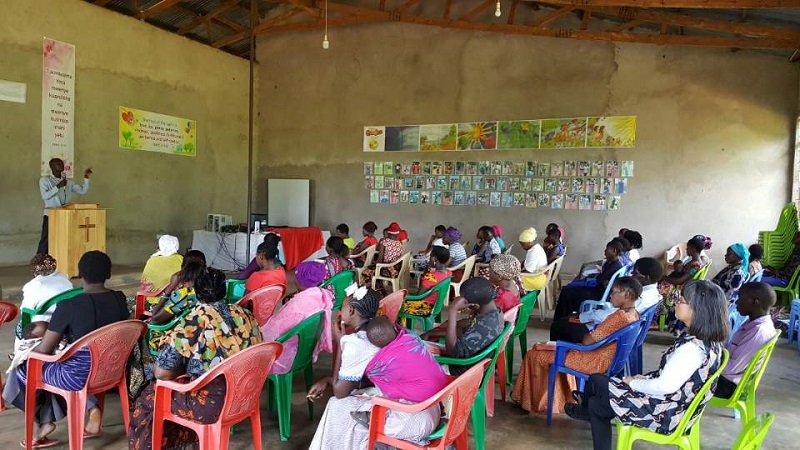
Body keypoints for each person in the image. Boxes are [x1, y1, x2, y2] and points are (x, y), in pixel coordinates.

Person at [565, 280, 728, 450]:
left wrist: (634, 383)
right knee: (597, 403)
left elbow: (664, 386)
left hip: (662, 414)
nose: (676, 303)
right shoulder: (708, 343)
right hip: (675, 407)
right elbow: (673, 378)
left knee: (597, 382)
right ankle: (587, 409)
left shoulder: (691, 350)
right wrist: (644, 378)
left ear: (697, 309)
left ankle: (585, 409)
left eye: (681, 300)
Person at [4, 251, 129, 448]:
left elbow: (44, 351)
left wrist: (22, 355)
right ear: (109, 274)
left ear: (80, 274)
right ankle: (90, 408)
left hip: (77, 376)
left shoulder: (69, 306)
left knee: (24, 367)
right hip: (113, 370)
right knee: (60, 362)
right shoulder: (119, 299)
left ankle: (41, 424)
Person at [129, 268, 263, 450]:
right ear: (223, 291)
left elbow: (162, 373)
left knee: (150, 396)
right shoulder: (245, 314)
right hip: (246, 394)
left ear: (196, 292)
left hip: (211, 405)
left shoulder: (194, 321)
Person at [307, 287, 447, 449]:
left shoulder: (356, 344)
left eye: (342, 307)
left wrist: (341, 342)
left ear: (351, 311)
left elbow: (340, 392)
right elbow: (370, 380)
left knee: (338, 407)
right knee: (350, 401)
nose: (339, 311)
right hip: (431, 409)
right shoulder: (395, 332)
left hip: (411, 421)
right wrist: (328, 380)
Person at [512, 277, 642, 414]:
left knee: (534, 355)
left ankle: (529, 401)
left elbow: (587, 341)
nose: (610, 295)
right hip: (606, 358)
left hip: (594, 360)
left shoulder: (619, 317)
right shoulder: (635, 315)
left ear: (627, 295)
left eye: (614, 292)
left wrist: (589, 335)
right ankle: (555, 400)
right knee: (546, 349)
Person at [551, 258, 663, 342]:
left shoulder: (639, 299)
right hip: (621, 333)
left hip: (608, 337)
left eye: (635, 273)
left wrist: (583, 317)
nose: (632, 275)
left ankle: (558, 359)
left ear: (647, 278)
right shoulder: (653, 294)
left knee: (559, 326)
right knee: (568, 320)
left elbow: (608, 317)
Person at [262, 261, 333, 374]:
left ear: (301, 280)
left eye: (297, 275)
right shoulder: (320, 295)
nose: (294, 278)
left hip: (286, 356)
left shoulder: (297, 306)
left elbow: (273, 333)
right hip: (305, 350)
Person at [421, 277, 503, 375]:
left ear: (472, 303)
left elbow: (453, 352)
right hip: (466, 362)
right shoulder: (493, 311)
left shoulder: (485, 327)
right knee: (417, 344)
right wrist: (432, 333)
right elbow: (466, 329)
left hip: (458, 371)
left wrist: (453, 310)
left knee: (410, 361)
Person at [714, 282, 776, 399]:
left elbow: (732, 368)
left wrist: (709, 361)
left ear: (755, 302)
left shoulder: (758, 332)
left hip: (727, 386)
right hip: (726, 377)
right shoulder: (754, 322)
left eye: (741, 298)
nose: (737, 302)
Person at [553, 239, 625, 321]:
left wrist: (601, 279)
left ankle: (562, 318)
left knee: (567, 292)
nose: (605, 251)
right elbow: (602, 280)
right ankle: (563, 317)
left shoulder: (614, 265)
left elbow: (599, 281)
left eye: (607, 249)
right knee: (568, 289)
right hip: (600, 289)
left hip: (600, 293)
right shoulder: (613, 262)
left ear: (614, 251)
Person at [37, 158, 93, 255]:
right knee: (46, 240)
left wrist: (86, 177)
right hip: (51, 215)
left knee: (63, 238)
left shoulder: (68, 182)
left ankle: (59, 258)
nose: (61, 165)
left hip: (66, 215)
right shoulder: (45, 180)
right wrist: (58, 186)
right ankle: (40, 261)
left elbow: (82, 191)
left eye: (62, 163)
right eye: (58, 164)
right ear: (52, 167)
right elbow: (45, 196)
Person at [657, 234, 712, 331]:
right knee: (660, 283)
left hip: (681, 288)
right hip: (681, 285)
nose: (686, 250)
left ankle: (659, 317)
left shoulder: (695, 265)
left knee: (658, 291)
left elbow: (679, 281)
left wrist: (664, 277)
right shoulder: (694, 261)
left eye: (688, 248)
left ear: (694, 249)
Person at [401, 246, 452, 317]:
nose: (429, 259)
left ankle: (400, 323)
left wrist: (406, 297)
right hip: (436, 306)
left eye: (430, 257)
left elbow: (419, 296)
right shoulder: (449, 273)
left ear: (434, 259)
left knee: (398, 303)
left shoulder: (431, 277)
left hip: (425, 307)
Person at [139, 235, 183, 309]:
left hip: (154, 298)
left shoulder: (152, 260)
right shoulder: (181, 259)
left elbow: (145, 281)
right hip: (176, 298)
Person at [358, 222, 404, 289]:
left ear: (388, 233)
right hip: (396, 270)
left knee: (365, 272)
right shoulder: (399, 243)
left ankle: (365, 290)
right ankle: (378, 288)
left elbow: (379, 260)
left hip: (387, 270)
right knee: (374, 270)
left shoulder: (384, 242)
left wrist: (373, 263)